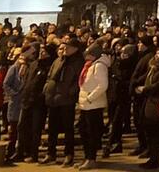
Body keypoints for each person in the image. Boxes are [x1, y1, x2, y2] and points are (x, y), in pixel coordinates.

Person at [44, 39, 84, 167]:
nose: (65, 49)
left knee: (68, 128)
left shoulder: (78, 62)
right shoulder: (58, 61)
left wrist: (70, 92)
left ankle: (69, 154)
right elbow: (50, 76)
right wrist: (47, 88)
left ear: (75, 48)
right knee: (52, 128)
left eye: (68, 47)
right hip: (54, 98)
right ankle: (51, 153)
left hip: (67, 99)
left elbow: (79, 80)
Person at [77, 43, 111, 170]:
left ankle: (91, 158)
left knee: (91, 132)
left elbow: (102, 85)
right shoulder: (89, 65)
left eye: (89, 54)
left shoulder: (99, 66)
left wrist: (90, 98)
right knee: (83, 130)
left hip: (93, 104)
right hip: (85, 104)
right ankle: (87, 157)